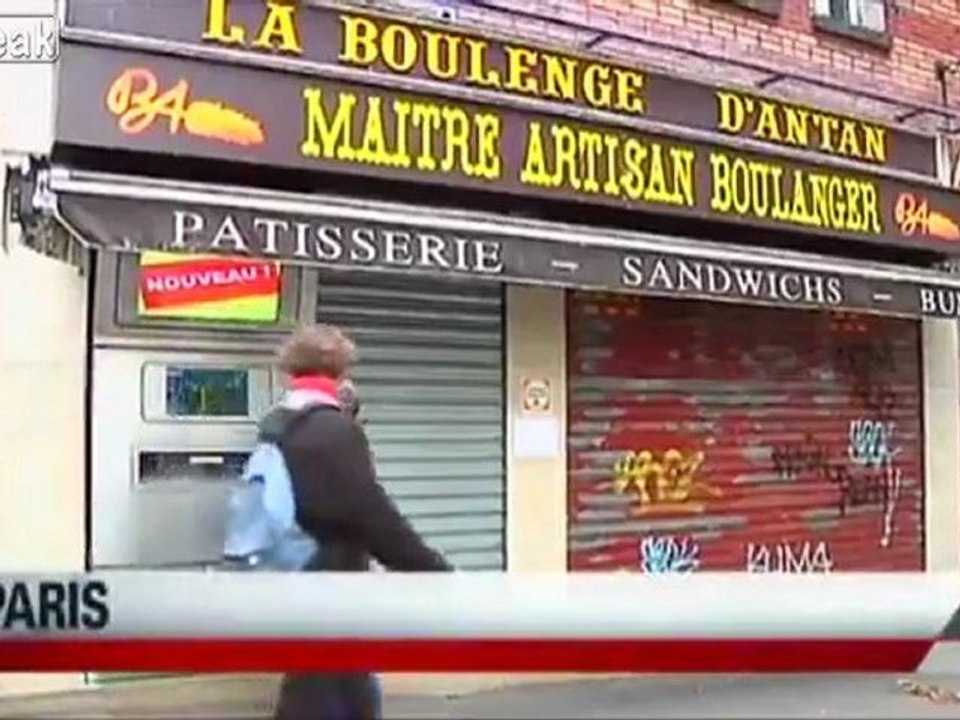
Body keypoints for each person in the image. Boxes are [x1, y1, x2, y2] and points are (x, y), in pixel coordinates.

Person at [268, 324, 451, 720]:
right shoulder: (333, 430)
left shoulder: (278, 424)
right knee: (326, 692)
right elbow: (370, 512)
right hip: (332, 582)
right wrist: (431, 570)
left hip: (294, 571)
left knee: (328, 681)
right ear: (340, 370)